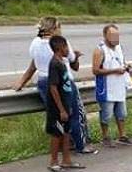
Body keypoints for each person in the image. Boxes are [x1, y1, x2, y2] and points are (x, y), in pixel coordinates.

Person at [14, 17, 97, 155]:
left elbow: (34, 64)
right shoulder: (60, 43)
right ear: (54, 29)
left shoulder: (35, 43)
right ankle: (80, 144)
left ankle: (62, 147)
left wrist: (22, 82)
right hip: (63, 82)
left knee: (56, 115)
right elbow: (73, 63)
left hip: (43, 82)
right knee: (76, 114)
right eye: (59, 27)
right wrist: (75, 56)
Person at [45, 36, 86, 172]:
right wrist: (61, 109)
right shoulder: (54, 64)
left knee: (66, 131)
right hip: (58, 106)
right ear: (60, 48)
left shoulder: (63, 62)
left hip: (67, 103)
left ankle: (66, 160)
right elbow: (53, 88)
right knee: (57, 133)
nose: (68, 49)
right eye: (66, 47)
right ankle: (53, 161)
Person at [92, 24, 132, 148]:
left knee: (122, 113)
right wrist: (114, 71)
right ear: (105, 36)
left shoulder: (119, 48)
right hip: (107, 88)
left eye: (117, 35)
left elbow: (122, 62)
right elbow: (95, 70)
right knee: (106, 115)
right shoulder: (100, 50)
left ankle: (123, 136)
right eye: (113, 35)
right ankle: (105, 137)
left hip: (119, 87)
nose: (116, 38)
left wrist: (128, 68)